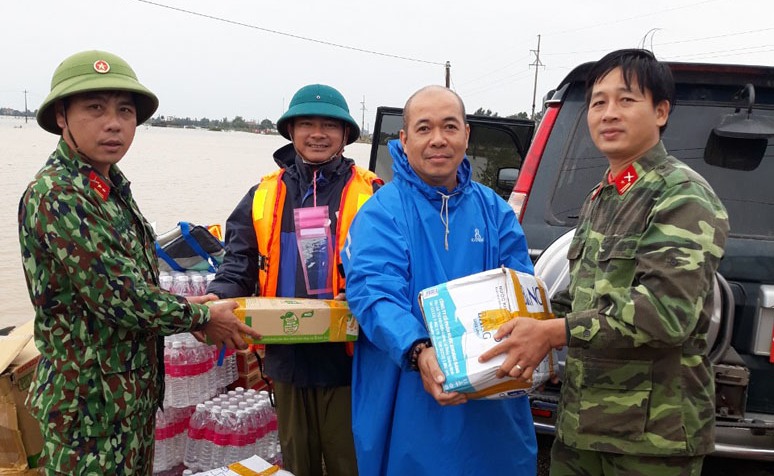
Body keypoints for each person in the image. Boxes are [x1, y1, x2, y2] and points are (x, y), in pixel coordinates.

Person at [480, 49, 730, 476]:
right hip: (583, 425)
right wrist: (526, 339)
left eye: (626, 100)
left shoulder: (681, 195)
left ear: (661, 111)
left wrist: (552, 333)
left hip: (651, 439)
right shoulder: (606, 194)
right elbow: (579, 299)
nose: (608, 113)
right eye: (599, 102)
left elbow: (665, 314)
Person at [18, 50, 259, 475]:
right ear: (61, 116)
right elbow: (119, 298)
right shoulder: (59, 194)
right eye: (95, 108)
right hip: (87, 411)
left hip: (126, 401)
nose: (114, 123)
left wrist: (191, 305)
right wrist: (200, 316)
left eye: (125, 111)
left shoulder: (108, 187)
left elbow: (131, 283)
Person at [339, 85, 537, 475]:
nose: (438, 140)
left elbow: (521, 287)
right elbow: (373, 293)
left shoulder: (494, 210)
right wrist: (418, 350)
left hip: (491, 389)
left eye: (449, 127)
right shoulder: (382, 211)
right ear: (405, 138)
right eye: (424, 128)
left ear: (466, 134)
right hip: (410, 387)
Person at [206, 83, 382, 476]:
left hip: (351, 357)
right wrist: (219, 296)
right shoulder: (263, 194)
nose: (317, 133)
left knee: (349, 463)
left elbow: (390, 268)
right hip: (285, 356)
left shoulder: (373, 192)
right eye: (306, 123)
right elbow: (238, 263)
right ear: (290, 131)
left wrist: (362, 292)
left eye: (329, 125)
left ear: (346, 136)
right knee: (296, 464)